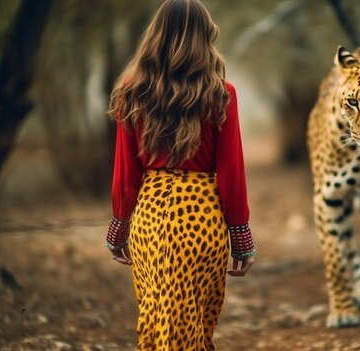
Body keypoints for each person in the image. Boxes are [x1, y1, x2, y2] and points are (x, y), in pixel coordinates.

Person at [104, 0, 255, 349]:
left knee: (157, 318)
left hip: (151, 219)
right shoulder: (221, 93)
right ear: (205, 38)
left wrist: (118, 228)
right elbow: (231, 172)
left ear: (154, 37)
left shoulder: (132, 92)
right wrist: (241, 235)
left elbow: (127, 176)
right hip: (202, 220)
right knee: (195, 325)